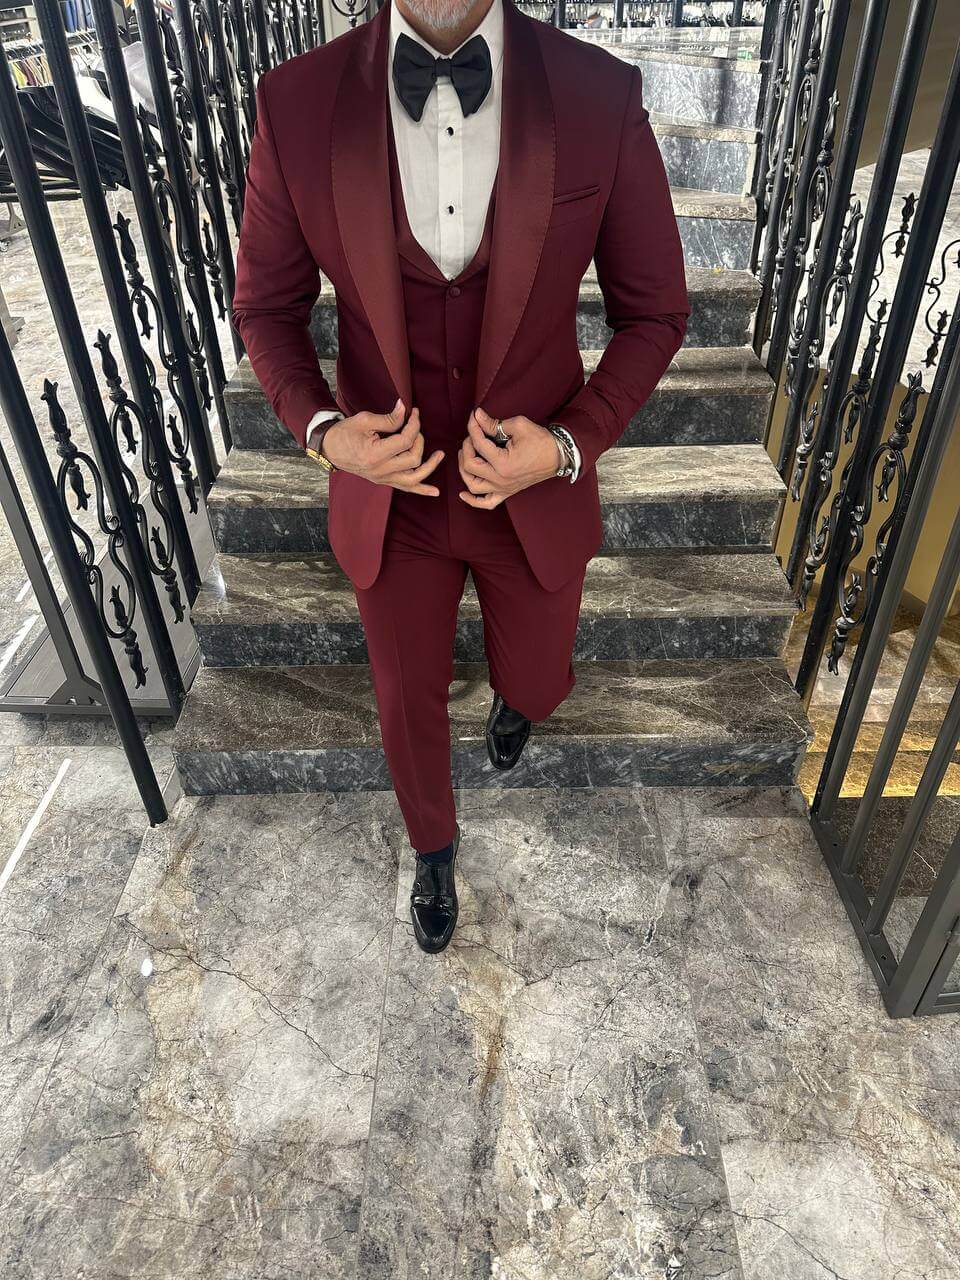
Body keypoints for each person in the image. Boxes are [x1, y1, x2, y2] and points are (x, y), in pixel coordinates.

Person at [232, 0, 690, 954]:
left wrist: (568, 445)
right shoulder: (294, 102)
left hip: (532, 486)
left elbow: (655, 312)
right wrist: (325, 435)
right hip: (391, 493)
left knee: (541, 674)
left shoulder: (600, 94)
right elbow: (266, 309)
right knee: (406, 703)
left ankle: (521, 703)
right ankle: (432, 850)